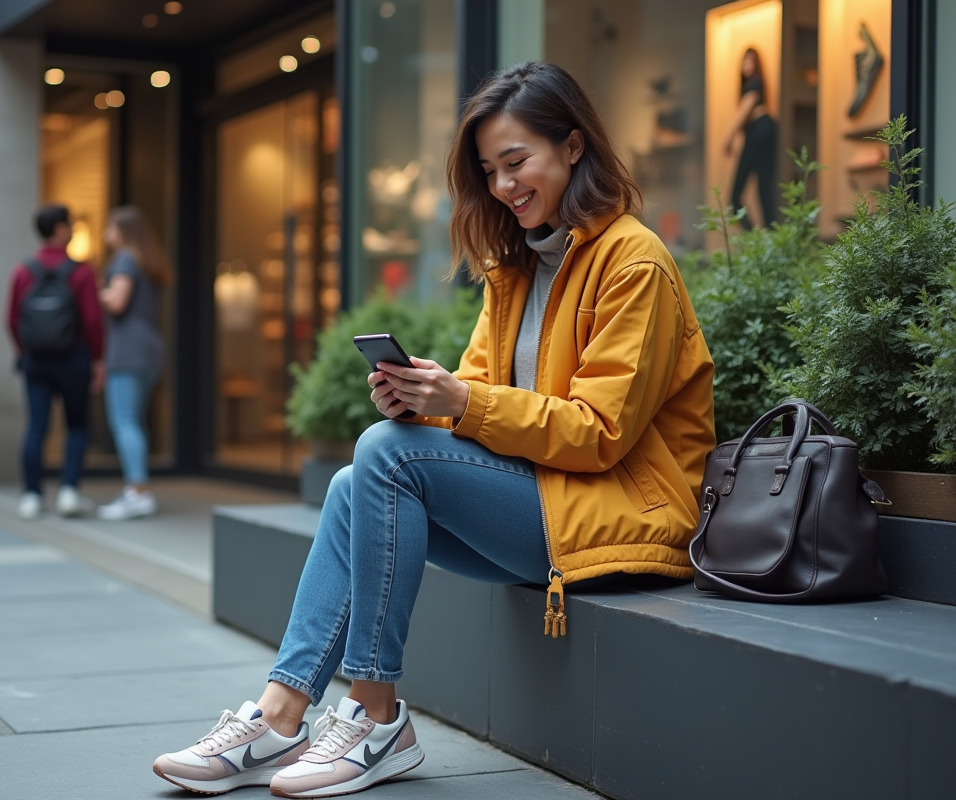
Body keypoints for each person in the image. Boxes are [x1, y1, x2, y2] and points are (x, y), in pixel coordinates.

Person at [150, 62, 716, 799]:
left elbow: (599, 432)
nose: (504, 186)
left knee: (380, 460)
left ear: (573, 147)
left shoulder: (633, 261)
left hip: (624, 516)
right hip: (549, 501)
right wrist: (425, 401)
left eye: (517, 162)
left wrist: (462, 404)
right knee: (361, 479)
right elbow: (480, 397)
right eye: (490, 171)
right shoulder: (518, 268)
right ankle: (282, 713)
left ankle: (375, 715)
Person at [6, 204, 105, 520]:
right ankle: (68, 492)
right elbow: (92, 320)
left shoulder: (24, 270)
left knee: (36, 426)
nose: (73, 229)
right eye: (70, 224)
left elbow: (11, 319)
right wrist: (98, 359)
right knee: (77, 425)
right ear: (60, 229)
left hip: (36, 360)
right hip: (73, 358)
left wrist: (25, 350)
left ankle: (32, 495)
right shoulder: (82, 272)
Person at [96, 206, 170, 521]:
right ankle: (137, 489)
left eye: (110, 229)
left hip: (128, 351)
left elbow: (117, 301)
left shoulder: (125, 259)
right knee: (134, 421)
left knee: (125, 421)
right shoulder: (146, 260)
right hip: (148, 350)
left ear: (123, 231)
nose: (105, 235)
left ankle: (137, 492)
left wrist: (87, 291)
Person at [724, 47, 777, 229]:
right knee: (762, 194)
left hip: (761, 131)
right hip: (760, 132)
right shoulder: (752, 85)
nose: (746, 65)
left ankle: (761, 241)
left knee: (746, 195)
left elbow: (745, 110)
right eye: (744, 61)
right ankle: (764, 240)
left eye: (750, 61)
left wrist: (729, 138)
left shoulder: (754, 84)